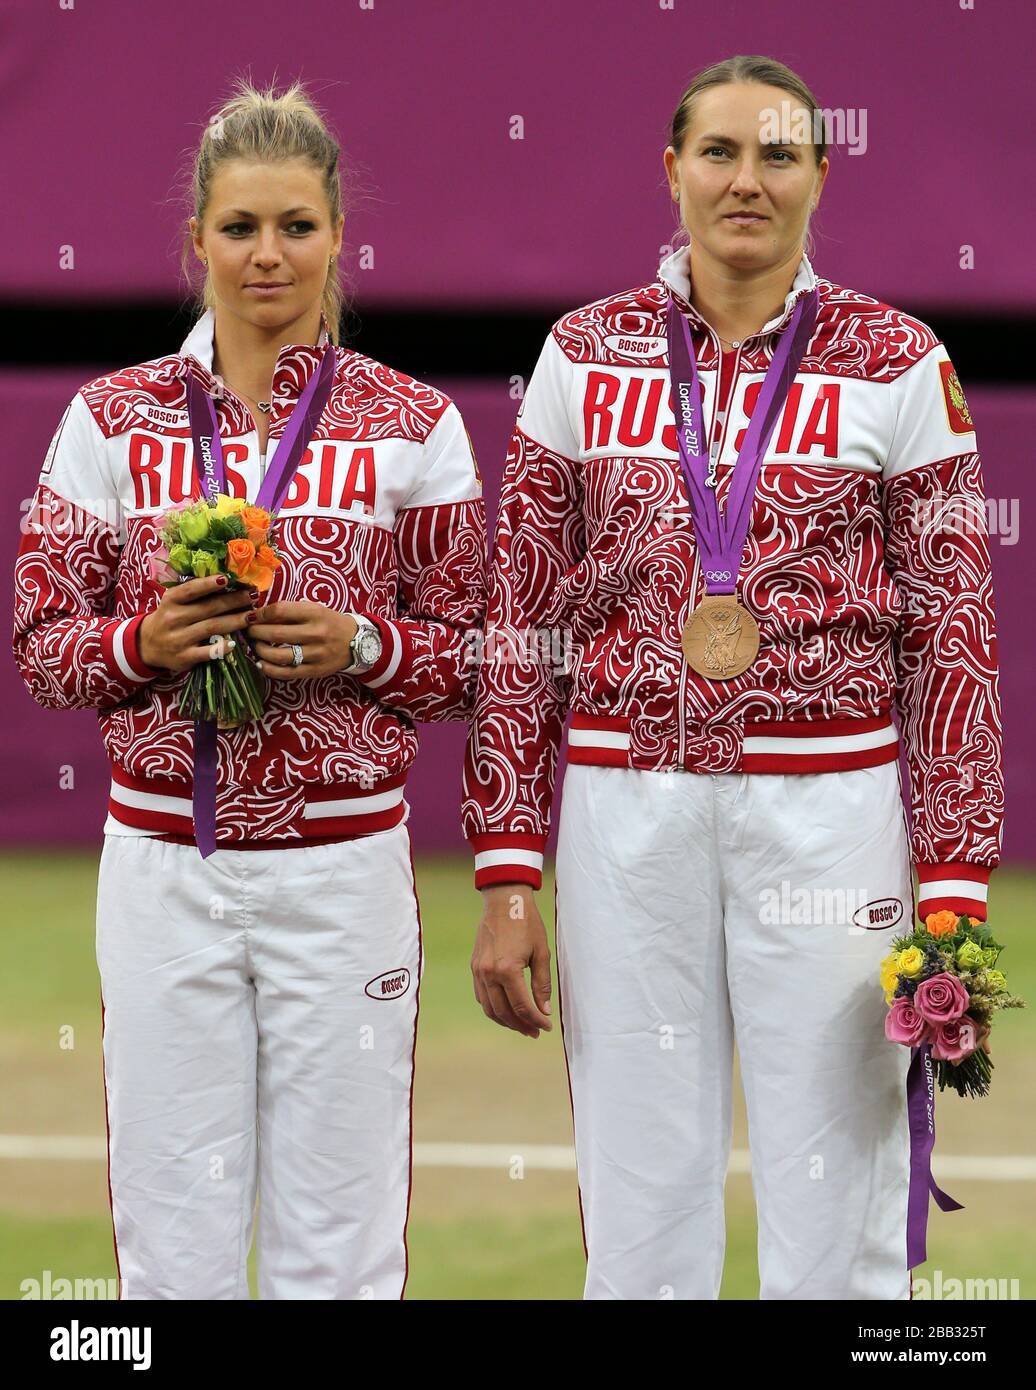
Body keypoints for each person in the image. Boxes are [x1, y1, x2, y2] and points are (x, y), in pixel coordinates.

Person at [462, 54, 1003, 1300]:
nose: (745, 179)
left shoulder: (897, 358)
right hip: (625, 807)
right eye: (719, 151)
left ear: (820, 173)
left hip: (828, 814)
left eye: (777, 154)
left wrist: (956, 880)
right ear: (672, 170)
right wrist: (504, 861)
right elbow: (520, 614)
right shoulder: (580, 352)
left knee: (839, 1186)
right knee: (641, 1179)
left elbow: (954, 634)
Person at [13, 79, 486, 1300]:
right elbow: (41, 641)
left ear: (338, 237)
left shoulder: (413, 423)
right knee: (173, 1244)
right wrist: (147, 639)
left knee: (340, 1243)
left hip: (343, 876)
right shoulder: (108, 420)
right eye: (239, 228)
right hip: (166, 872)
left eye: (294, 226)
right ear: (196, 244)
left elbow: (477, 656)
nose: (267, 254)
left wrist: (360, 648)